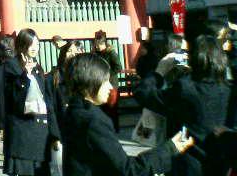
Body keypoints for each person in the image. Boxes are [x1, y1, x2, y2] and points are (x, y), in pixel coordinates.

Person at [62, 53, 193, 176]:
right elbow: (127, 169)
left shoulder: (73, 111)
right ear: (91, 81)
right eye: (105, 81)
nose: (110, 87)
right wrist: (170, 149)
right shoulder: (93, 121)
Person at [134, 35, 231, 175]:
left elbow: (144, 94)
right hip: (221, 164)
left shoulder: (185, 88)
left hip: (187, 163)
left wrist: (159, 71)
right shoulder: (229, 90)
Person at [1, 28, 60, 176]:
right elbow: (12, 98)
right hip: (23, 132)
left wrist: (55, 133)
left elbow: (47, 100)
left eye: (37, 44)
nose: (35, 48)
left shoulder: (37, 67)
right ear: (22, 45)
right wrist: (24, 76)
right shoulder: (11, 66)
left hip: (41, 132)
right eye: (31, 44)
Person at [45, 40, 84, 142]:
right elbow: (50, 109)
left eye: (76, 52)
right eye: (69, 51)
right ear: (63, 53)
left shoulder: (83, 77)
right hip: (61, 129)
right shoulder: (52, 78)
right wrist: (55, 135)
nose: (73, 54)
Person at [92, 31, 122, 131]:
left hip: (111, 85)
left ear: (103, 44)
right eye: (96, 45)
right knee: (102, 107)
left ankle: (115, 128)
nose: (97, 47)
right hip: (100, 84)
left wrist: (107, 75)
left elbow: (118, 67)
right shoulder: (96, 53)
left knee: (112, 108)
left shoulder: (111, 53)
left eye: (98, 45)